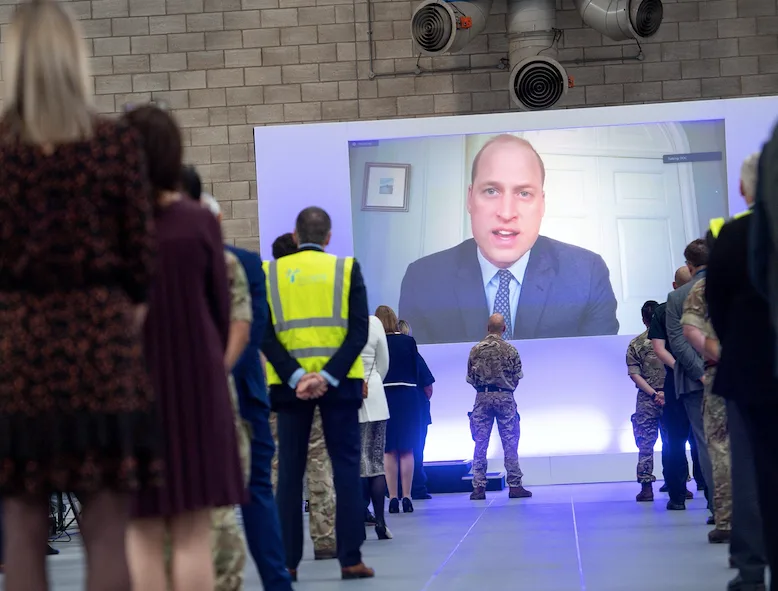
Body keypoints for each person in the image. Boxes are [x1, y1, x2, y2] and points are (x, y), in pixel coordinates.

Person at [0, 2, 161, 589]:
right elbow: (142, 267)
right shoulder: (113, 145)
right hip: (103, 349)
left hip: (19, 352)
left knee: (20, 525)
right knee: (105, 527)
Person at [123, 105, 245, 591]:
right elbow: (220, 309)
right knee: (194, 530)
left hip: (131, 390)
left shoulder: (112, 227)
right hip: (197, 386)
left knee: (142, 530)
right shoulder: (199, 223)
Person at [398, 134, 619, 345]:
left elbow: (596, 367)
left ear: (542, 204)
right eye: (492, 191)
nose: (506, 213)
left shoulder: (587, 274)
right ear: (470, 198)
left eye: (524, 193)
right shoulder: (422, 280)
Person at [261, 206, 374, 580]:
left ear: (295, 236)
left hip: (290, 387)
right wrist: (327, 375)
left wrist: (297, 376)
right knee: (345, 468)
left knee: (289, 474)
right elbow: (359, 331)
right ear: (328, 238)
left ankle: (288, 563)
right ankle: (351, 559)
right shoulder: (346, 269)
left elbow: (264, 333)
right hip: (339, 386)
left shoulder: (270, 272)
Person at [707, 155, 771, 591]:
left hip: (751, 371)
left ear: (747, 191)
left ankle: (750, 571)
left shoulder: (733, 234)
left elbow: (718, 306)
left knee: (749, 471)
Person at [266, 231, 337, 561]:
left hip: (277, 391)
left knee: (280, 465)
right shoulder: (317, 287)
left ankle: (280, 538)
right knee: (319, 462)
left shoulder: (265, 285)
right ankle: (325, 540)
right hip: (315, 389)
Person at [664, 242, 715, 513]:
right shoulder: (732, 288)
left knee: (705, 443)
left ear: (689, 264)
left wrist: (701, 373)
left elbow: (679, 343)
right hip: (734, 376)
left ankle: (719, 510)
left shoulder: (677, 297)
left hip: (694, 384)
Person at [681, 277, 731, 544]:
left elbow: (690, 331)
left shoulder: (704, 287)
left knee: (721, 446)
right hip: (766, 370)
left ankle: (727, 521)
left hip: (720, 373)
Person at [648, 267, 705, 502]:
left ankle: (677, 496)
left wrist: (679, 368)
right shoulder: (705, 303)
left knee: (674, 440)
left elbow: (659, 349)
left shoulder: (663, 310)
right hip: (705, 375)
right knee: (702, 439)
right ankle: (709, 491)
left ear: (674, 285)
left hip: (674, 381)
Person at [467, 313, 532, 500]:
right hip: (505, 397)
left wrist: (485, 389)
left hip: (482, 397)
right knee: (510, 442)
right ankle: (515, 486)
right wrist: (505, 389)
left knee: (480, 443)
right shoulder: (510, 350)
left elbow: (471, 379)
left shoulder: (475, 350)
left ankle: (478, 487)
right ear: (504, 329)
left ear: (487, 328)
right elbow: (516, 377)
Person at [375, 305, 421, 514]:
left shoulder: (377, 342)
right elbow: (416, 370)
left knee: (389, 449)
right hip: (408, 396)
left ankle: (392, 497)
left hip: (384, 396)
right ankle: (408, 496)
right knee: (407, 448)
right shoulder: (408, 341)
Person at [626, 300, 667, 502]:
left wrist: (653, 394)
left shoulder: (636, 344)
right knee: (674, 442)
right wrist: (664, 393)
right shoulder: (671, 341)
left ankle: (646, 488)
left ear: (643, 320)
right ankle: (677, 483)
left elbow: (635, 375)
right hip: (672, 398)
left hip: (646, 400)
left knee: (645, 444)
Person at [358, 314, 391, 539]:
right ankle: (380, 521)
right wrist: (374, 380)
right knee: (376, 462)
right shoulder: (374, 322)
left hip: (347, 399)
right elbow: (384, 363)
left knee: (355, 463)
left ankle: (358, 518)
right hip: (376, 396)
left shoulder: (338, 322)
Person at [398, 320, 435, 501]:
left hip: (392, 408)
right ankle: (417, 487)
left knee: (392, 450)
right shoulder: (415, 356)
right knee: (416, 447)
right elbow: (428, 386)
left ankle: (395, 488)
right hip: (416, 408)